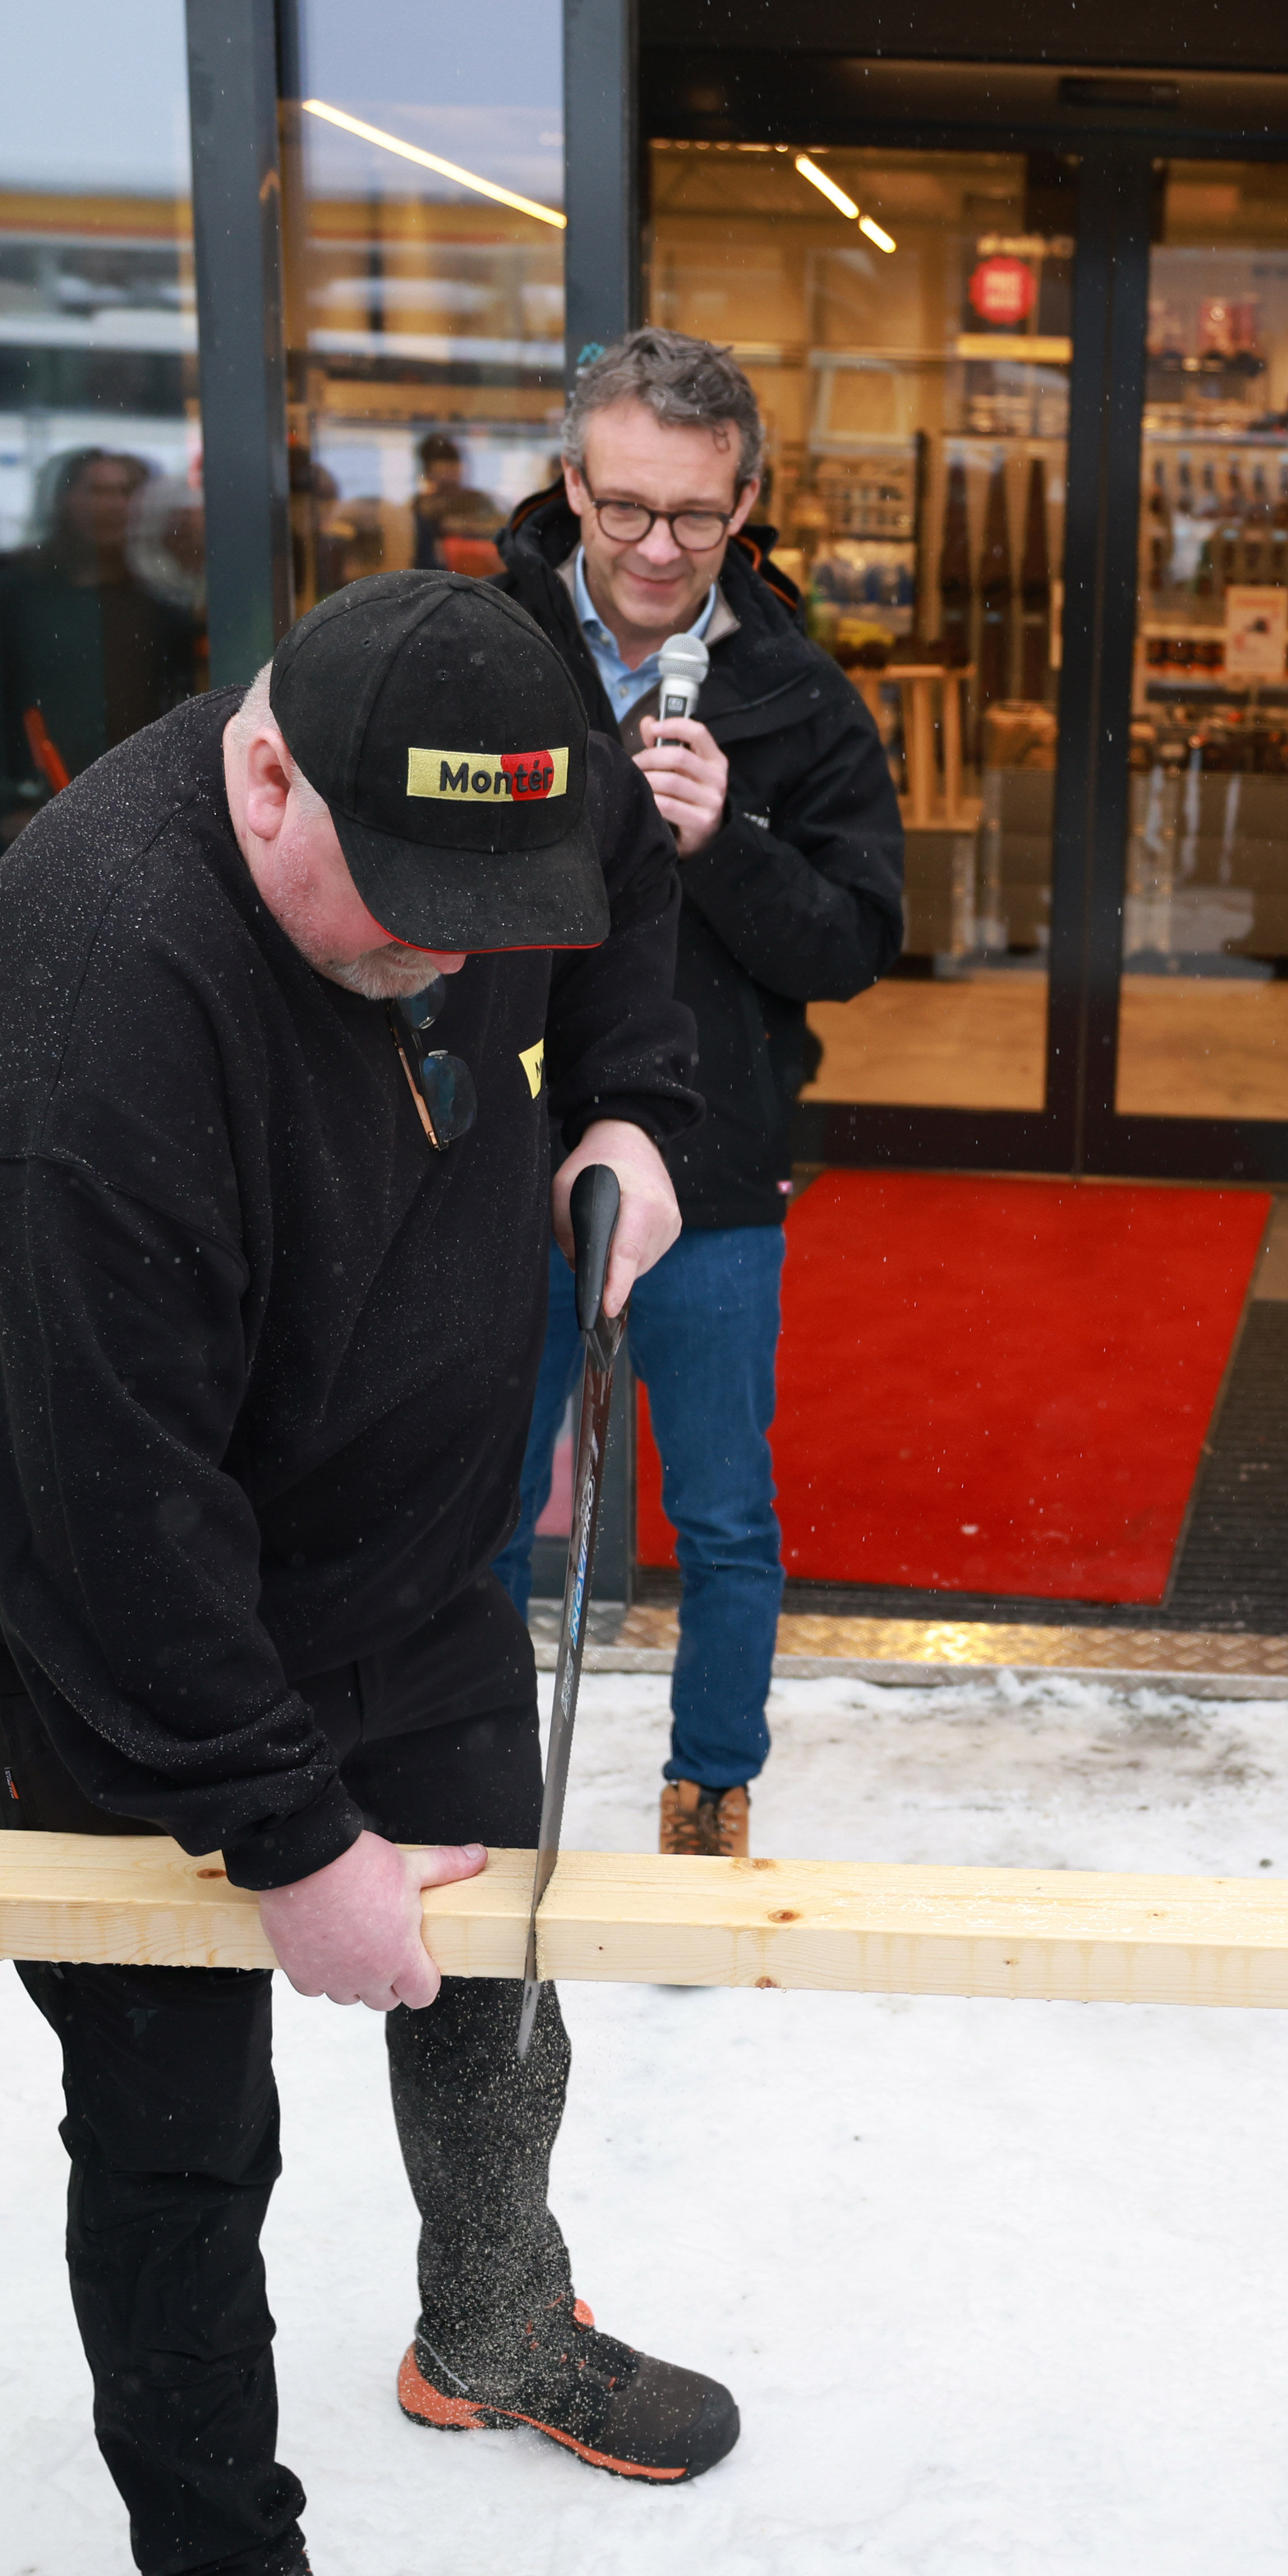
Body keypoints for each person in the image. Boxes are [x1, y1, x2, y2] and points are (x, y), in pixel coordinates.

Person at [0, 570, 737, 2576]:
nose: (452, 938)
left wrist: (630, 1105)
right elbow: (106, 1506)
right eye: (413, 893)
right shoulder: (95, 998)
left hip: (396, 1543)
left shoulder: (497, 778)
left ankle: (492, 2315)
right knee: (177, 2116)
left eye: (486, 889)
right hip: (79, 1619)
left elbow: (618, 886)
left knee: (491, 1964)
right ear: (263, 771)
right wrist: (276, 1832)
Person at [482, 330, 905, 1858]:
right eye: (627, 510)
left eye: (698, 519)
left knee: (721, 1511)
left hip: (711, 1162)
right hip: (494, 1155)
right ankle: (465, 1764)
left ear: (749, 504)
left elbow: (855, 946)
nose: (659, 549)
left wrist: (730, 841)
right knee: (478, 1502)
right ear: (573, 484)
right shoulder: (469, 649)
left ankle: (712, 1778)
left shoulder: (799, 695)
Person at [0, 444, 211, 858]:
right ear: (62, 499)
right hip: (29, 824)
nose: (112, 505)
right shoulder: (7, 598)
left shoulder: (165, 610)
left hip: (141, 825)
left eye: (125, 492)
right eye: (96, 491)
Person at [412, 431, 509, 577]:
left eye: (453, 465)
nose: (450, 472)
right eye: (443, 466)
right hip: (442, 575)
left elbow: (502, 527)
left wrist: (466, 525)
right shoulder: (420, 504)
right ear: (428, 471)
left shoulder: (478, 499)